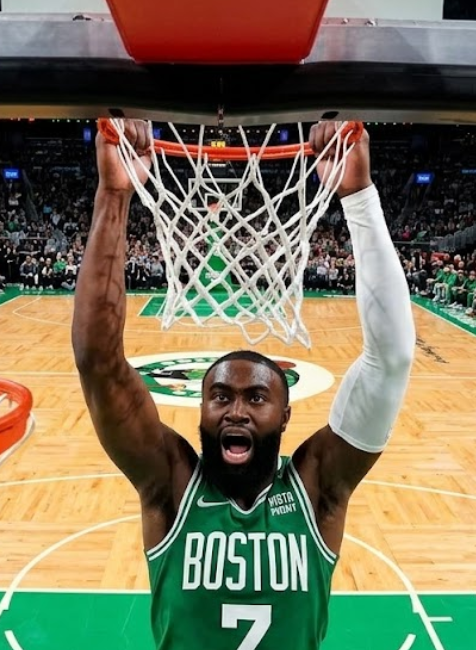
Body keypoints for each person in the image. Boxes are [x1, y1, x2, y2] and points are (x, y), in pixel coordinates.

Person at [71, 120, 415, 650]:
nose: (235, 410)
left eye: (257, 397)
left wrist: (359, 198)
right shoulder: (171, 486)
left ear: (285, 415)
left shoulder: (318, 489)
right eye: (220, 396)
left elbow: (390, 361)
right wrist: (114, 195)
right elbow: (99, 362)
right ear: (199, 411)